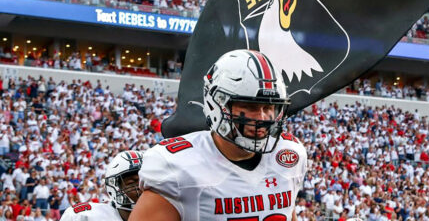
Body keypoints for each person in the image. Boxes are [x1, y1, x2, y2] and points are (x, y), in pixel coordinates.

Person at [131, 49, 307, 221]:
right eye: (251, 107)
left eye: (269, 108)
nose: (262, 117)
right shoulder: (178, 167)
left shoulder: (289, 156)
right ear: (217, 104)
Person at [60, 150, 144, 220]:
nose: (142, 188)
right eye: (132, 183)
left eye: (147, 182)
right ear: (115, 188)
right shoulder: (86, 216)